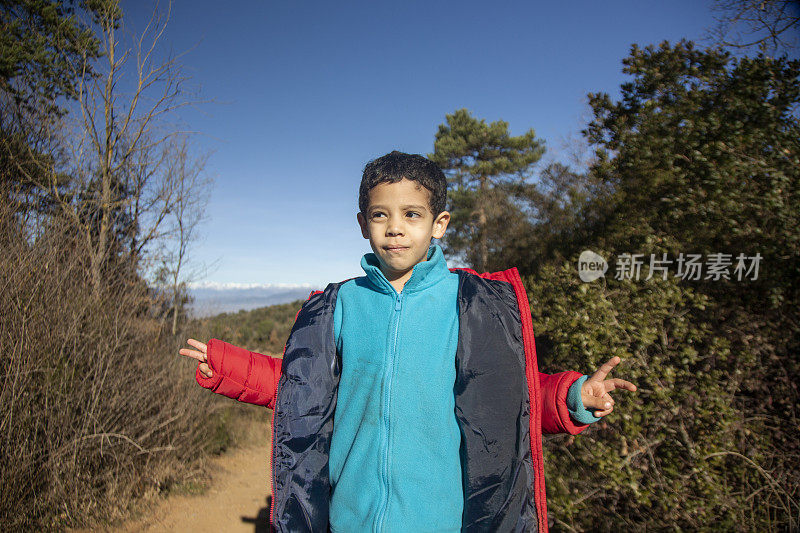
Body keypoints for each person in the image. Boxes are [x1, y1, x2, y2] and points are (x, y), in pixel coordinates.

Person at [179, 151, 637, 533]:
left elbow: (509, 400)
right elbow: (300, 387)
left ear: (439, 224)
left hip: (440, 520)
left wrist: (572, 396)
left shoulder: (470, 304)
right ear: (363, 223)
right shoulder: (340, 304)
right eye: (381, 215)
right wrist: (226, 366)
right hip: (349, 518)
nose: (395, 228)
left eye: (411, 214)